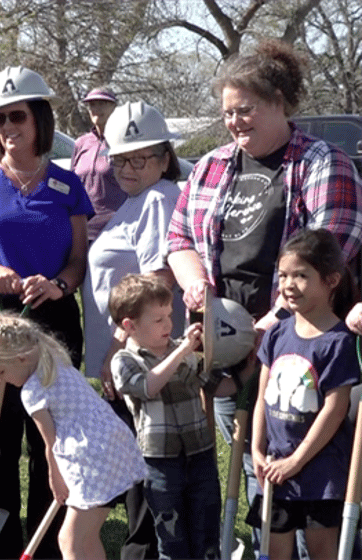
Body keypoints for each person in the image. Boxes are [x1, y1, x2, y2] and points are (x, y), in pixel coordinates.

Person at [166, 39, 362, 554]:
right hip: (229, 348)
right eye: (228, 112)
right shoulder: (211, 165)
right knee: (258, 466)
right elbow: (179, 237)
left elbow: (332, 249)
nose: (235, 122)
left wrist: (270, 321)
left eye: (245, 110)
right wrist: (195, 286)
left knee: (312, 468)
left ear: (279, 100)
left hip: (304, 350)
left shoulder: (324, 163)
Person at [0, 66, 94, 559]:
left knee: (52, 434)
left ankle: (49, 542)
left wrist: (58, 285)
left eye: (18, 116)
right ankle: (4, 544)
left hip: (52, 321)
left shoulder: (67, 184)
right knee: (0, 435)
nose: (8, 127)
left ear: (40, 121)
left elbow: (77, 261)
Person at [81, 100, 181, 560]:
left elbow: (154, 285)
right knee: (136, 464)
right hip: (127, 361)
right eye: (119, 158)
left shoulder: (158, 199)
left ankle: (146, 552)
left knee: (144, 469)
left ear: (164, 157)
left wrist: (117, 349)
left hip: (139, 360)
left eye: (139, 157)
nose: (127, 167)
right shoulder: (136, 201)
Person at [0, 313, 147, 560]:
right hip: (114, 443)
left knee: (69, 540)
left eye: (0, 371)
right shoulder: (54, 359)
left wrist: (56, 479)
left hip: (90, 458)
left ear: (21, 358)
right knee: (86, 538)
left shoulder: (32, 392)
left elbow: (49, 442)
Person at [249, 229, 359, 560]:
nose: (288, 284)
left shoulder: (338, 342)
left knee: (322, 552)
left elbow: (335, 409)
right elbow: (262, 397)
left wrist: (297, 461)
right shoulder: (277, 334)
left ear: (331, 280)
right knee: (274, 550)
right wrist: (257, 448)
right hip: (276, 470)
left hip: (319, 474)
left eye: (301, 275)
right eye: (283, 275)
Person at [109, 274, 221, 560]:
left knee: (207, 535)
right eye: (158, 320)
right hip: (159, 462)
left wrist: (247, 367)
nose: (169, 325)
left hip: (200, 454)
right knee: (172, 539)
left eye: (169, 316)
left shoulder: (182, 352)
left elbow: (216, 386)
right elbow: (148, 386)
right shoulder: (124, 360)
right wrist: (184, 350)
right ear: (129, 326)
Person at [71, 87, 126, 242]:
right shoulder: (81, 143)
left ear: (114, 107)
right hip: (83, 231)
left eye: (102, 103)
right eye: (92, 105)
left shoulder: (123, 142)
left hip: (117, 230)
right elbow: (72, 185)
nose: (96, 109)